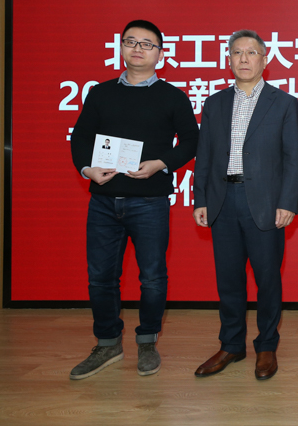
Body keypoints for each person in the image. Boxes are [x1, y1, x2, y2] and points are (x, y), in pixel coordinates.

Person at [69, 19, 199, 379]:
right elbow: (81, 137)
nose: (138, 49)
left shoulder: (173, 96)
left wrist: (161, 163)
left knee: (153, 277)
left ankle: (147, 342)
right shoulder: (100, 93)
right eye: (131, 42)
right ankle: (107, 343)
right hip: (103, 201)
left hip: (150, 202)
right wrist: (87, 169)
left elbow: (191, 140)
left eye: (147, 44)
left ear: (160, 53)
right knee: (101, 277)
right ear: (121, 48)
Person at [192, 29, 298, 380]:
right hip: (222, 200)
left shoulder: (283, 103)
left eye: (251, 52)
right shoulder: (215, 103)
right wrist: (200, 199)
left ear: (264, 60)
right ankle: (231, 344)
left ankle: (266, 345)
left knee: (268, 279)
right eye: (236, 52)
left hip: (266, 203)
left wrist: (288, 201)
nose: (243, 58)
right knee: (228, 279)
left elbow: (293, 159)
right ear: (228, 60)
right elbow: (204, 155)